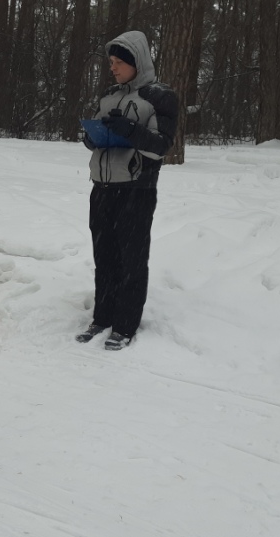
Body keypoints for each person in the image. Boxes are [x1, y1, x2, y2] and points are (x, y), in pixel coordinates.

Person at [76, 30, 179, 351]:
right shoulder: (109, 95)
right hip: (102, 188)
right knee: (104, 257)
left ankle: (125, 325)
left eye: (119, 62)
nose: (113, 68)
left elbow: (161, 146)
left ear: (137, 62)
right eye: (111, 62)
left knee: (131, 260)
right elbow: (95, 138)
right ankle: (102, 317)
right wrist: (91, 136)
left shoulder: (160, 96)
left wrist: (131, 130)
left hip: (137, 190)